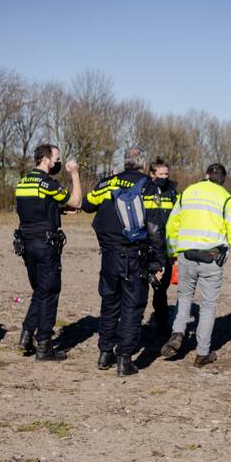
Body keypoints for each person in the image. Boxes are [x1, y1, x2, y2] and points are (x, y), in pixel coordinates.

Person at [81, 146, 165, 377]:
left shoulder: (107, 183)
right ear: (143, 165)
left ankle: (105, 352)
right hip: (134, 255)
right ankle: (125, 358)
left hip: (108, 255)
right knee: (133, 305)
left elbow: (87, 205)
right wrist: (159, 259)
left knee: (109, 303)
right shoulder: (148, 187)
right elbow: (155, 228)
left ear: (125, 162)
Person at [161, 163, 231, 367]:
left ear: (206, 175)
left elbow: (172, 224)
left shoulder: (188, 192)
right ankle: (202, 353)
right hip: (211, 259)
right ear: (223, 179)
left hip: (186, 257)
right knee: (208, 306)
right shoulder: (226, 198)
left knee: (183, 298)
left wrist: (172, 252)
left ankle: (178, 333)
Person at [14, 144, 83, 361]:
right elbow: (77, 201)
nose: (59, 163)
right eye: (57, 159)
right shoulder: (48, 183)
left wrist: (57, 210)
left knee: (39, 290)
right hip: (45, 245)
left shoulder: (23, 182)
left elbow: (35, 208)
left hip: (26, 244)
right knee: (50, 291)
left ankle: (26, 335)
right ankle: (44, 346)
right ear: (45, 159)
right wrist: (75, 175)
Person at [143, 157, 178, 332]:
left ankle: (162, 323)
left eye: (166, 174)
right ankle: (136, 325)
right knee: (141, 288)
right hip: (146, 246)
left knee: (161, 288)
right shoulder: (144, 189)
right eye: (161, 174)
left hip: (166, 246)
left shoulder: (173, 191)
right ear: (152, 174)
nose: (164, 177)